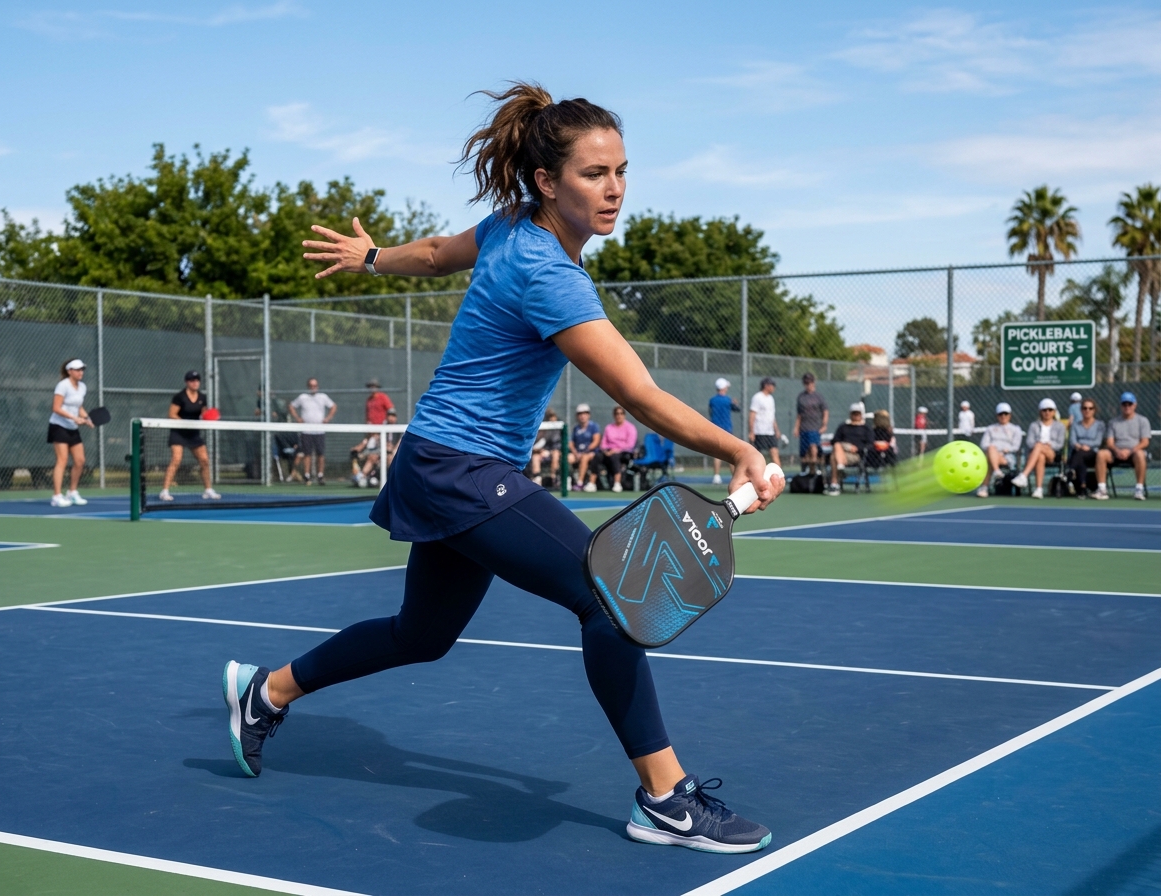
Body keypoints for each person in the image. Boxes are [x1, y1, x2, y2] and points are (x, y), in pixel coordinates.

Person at [232, 83, 782, 854]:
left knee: (422, 634)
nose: (616, 187)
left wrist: (369, 256)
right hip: (461, 468)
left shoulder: (511, 227)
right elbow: (636, 392)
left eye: (622, 169)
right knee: (609, 597)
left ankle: (268, 690)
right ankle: (665, 796)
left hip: (440, 462)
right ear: (548, 181)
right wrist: (743, 450)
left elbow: (430, 256)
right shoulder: (548, 274)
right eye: (595, 173)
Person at [159, 371, 219, 502]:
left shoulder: (202, 397)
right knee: (176, 460)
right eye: (192, 380)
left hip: (193, 434)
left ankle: (208, 490)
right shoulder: (179, 397)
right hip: (178, 433)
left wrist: (208, 416)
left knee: (204, 461)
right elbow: (172, 414)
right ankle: (164, 491)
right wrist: (185, 423)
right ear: (187, 382)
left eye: (197, 380)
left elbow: (203, 414)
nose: (195, 382)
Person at [47, 358, 94, 507]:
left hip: (72, 427)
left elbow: (78, 406)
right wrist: (75, 418)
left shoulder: (82, 387)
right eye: (78, 369)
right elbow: (56, 407)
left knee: (80, 461)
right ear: (70, 371)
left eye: (82, 370)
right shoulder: (63, 386)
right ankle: (56, 496)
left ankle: (72, 493)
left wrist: (86, 418)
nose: (81, 372)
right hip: (59, 426)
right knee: (62, 460)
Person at [1095, 392, 1151, 501]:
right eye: (1124, 404)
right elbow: (1110, 442)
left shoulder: (1143, 421)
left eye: (1129, 404)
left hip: (1134, 453)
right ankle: (1102, 489)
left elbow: (1145, 442)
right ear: (1121, 406)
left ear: (1135, 405)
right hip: (1116, 453)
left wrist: (1129, 451)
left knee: (1140, 454)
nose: (1127, 407)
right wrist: (1118, 451)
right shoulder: (1113, 422)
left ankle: (1139, 490)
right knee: (1101, 454)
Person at [1013, 398, 1066, 499]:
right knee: (1040, 456)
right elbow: (1029, 442)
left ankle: (1024, 475)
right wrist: (1040, 445)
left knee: (1038, 446)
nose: (1047, 412)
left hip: (1052, 453)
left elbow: (1060, 444)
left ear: (1054, 412)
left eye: (1050, 410)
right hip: (1037, 453)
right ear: (1040, 412)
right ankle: (1039, 489)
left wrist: (1049, 444)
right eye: (1044, 410)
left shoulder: (1060, 426)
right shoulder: (1034, 425)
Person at [289, 378, 337, 485]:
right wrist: (298, 418)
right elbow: (291, 406)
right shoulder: (303, 397)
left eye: (315, 385)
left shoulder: (323, 397)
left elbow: (333, 406)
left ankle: (320, 475)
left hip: (319, 431)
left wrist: (328, 418)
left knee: (320, 454)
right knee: (307, 454)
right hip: (306, 431)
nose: (313, 387)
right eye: (311, 385)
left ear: (318, 386)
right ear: (308, 386)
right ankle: (307, 475)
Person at [976, 402, 1024, 498]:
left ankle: (984, 487)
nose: (1003, 416)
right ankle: (997, 471)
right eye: (1000, 414)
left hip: (1008, 458)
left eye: (1005, 414)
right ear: (997, 416)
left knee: (989, 456)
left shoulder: (1015, 429)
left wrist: (1003, 451)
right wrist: (994, 451)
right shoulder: (990, 429)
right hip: (992, 454)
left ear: (1010, 415)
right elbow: (984, 444)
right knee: (991, 450)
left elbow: (1016, 446)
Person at [827, 402, 874, 496]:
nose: (855, 415)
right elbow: (834, 440)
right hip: (842, 451)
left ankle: (834, 484)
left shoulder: (866, 428)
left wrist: (857, 449)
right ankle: (840, 467)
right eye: (854, 413)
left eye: (858, 413)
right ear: (850, 414)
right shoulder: (843, 427)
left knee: (833, 457)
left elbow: (870, 444)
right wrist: (847, 446)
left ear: (861, 415)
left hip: (855, 455)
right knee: (837, 445)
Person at [352, 407, 402, 487]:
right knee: (372, 457)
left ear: (396, 418)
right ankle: (361, 477)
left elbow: (399, 445)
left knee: (391, 459)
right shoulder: (381, 428)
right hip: (381, 452)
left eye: (393, 416)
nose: (391, 418)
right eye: (389, 415)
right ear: (386, 417)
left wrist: (391, 449)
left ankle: (393, 481)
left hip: (392, 454)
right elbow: (373, 439)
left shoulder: (399, 430)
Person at [1067, 398, 1104, 498]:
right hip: (1079, 451)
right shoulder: (1075, 425)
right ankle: (1082, 488)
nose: (1087, 410)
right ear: (1081, 410)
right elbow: (1072, 441)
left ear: (1094, 410)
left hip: (1093, 453)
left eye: (1090, 408)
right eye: (1085, 408)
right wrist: (1079, 446)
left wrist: (1086, 446)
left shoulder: (1099, 425)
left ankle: (1071, 471)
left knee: (1079, 455)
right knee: (1080, 457)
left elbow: (1098, 441)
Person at [794, 372, 828, 474]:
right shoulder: (801, 397)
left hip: (815, 428)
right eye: (806, 383)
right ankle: (806, 470)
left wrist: (824, 425)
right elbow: (799, 415)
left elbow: (825, 411)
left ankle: (815, 469)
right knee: (804, 453)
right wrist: (796, 428)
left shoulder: (819, 397)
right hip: (804, 428)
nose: (808, 385)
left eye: (810, 382)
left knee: (813, 448)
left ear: (814, 383)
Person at [708, 378, 740, 485]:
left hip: (715, 428)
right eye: (726, 387)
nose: (727, 388)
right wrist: (735, 403)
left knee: (717, 454)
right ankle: (735, 477)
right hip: (727, 429)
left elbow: (710, 412)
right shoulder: (728, 400)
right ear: (723, 388)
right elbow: (737, 409)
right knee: (731, 453)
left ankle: (716, 477)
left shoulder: (712, 400)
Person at [598, 406, 638, 492]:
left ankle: (617, 483)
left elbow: (630, 445)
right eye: (617, 414)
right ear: (614, 415)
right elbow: (603, 443)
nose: (619, 416)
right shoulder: (609, 427)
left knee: (615, 457)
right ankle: (592, 483)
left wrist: (616, 450)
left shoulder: (630, 427)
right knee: (597, 456)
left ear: (624, 415)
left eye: (621, 413)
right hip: (609, 452)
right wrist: (606, 451)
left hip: (624, 453)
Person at [748, 377, 781, 467]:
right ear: (766, 386)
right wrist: (751, 431)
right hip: (759, 431)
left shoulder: (771, 398)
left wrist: (776, 430)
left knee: (775, 453)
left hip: (770, 432)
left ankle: (780, 477)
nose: (773, 388)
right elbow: (752, 415)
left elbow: (772, 416)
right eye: (772, 385)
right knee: (757, 456)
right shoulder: (757, 397)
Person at [569, 403, 602, 492]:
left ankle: (580, 483)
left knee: (584, 457)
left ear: (588, 415)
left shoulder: (594, 426)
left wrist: (585, 451)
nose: (582, 416)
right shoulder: (576, 428)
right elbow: (571, 443)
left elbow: (596, 441)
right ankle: (568, 482)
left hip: (590, 453)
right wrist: (575, 453)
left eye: (585, 413)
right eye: (580, 414)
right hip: (577, 453)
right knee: (568, 458)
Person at [529, 409, 563, 487]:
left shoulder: (560, 429)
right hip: (545, 452)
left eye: (553, 417)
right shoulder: (544, 430)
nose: (552, 419)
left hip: (556, 452)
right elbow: (540, 443)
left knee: (555, 454)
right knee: (536, 456)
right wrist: (540, 450)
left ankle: (554, 478)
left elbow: (560, 445)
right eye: (549, 417)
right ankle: (537, 480)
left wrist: (552, 451)